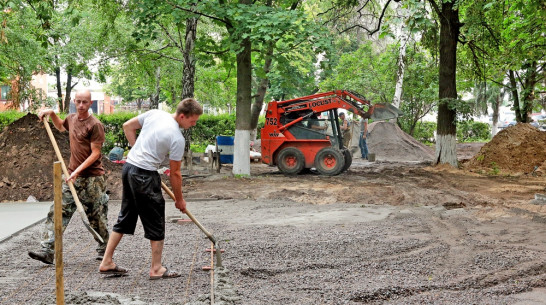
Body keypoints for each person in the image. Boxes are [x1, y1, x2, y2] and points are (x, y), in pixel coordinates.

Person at [99, 98, 203, 279]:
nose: (193, 125)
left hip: (129, 168)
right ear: (182, 116)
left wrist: (137, 149)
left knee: (126, 215)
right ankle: (156, 268)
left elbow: (127, 126)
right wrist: (179, 199)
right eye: (192, 121)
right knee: (155, 219)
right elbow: (175, 174)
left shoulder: (155, 113)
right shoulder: (177, 138)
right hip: (144, 176)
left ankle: (106, 261)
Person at [29, 89, 109, 264]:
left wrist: (76, 171)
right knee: (58, 210)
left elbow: (95, 154)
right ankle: (48, 250)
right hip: (73, 176)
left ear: (91, 103)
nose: (81, 105)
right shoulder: (72, 118)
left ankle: (105, 250)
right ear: (74, 101)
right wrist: (51, 113)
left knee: (96, 216)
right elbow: (59, 126)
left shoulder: (95, 125)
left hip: (92, 178)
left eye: (85, 102)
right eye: (78, 101)